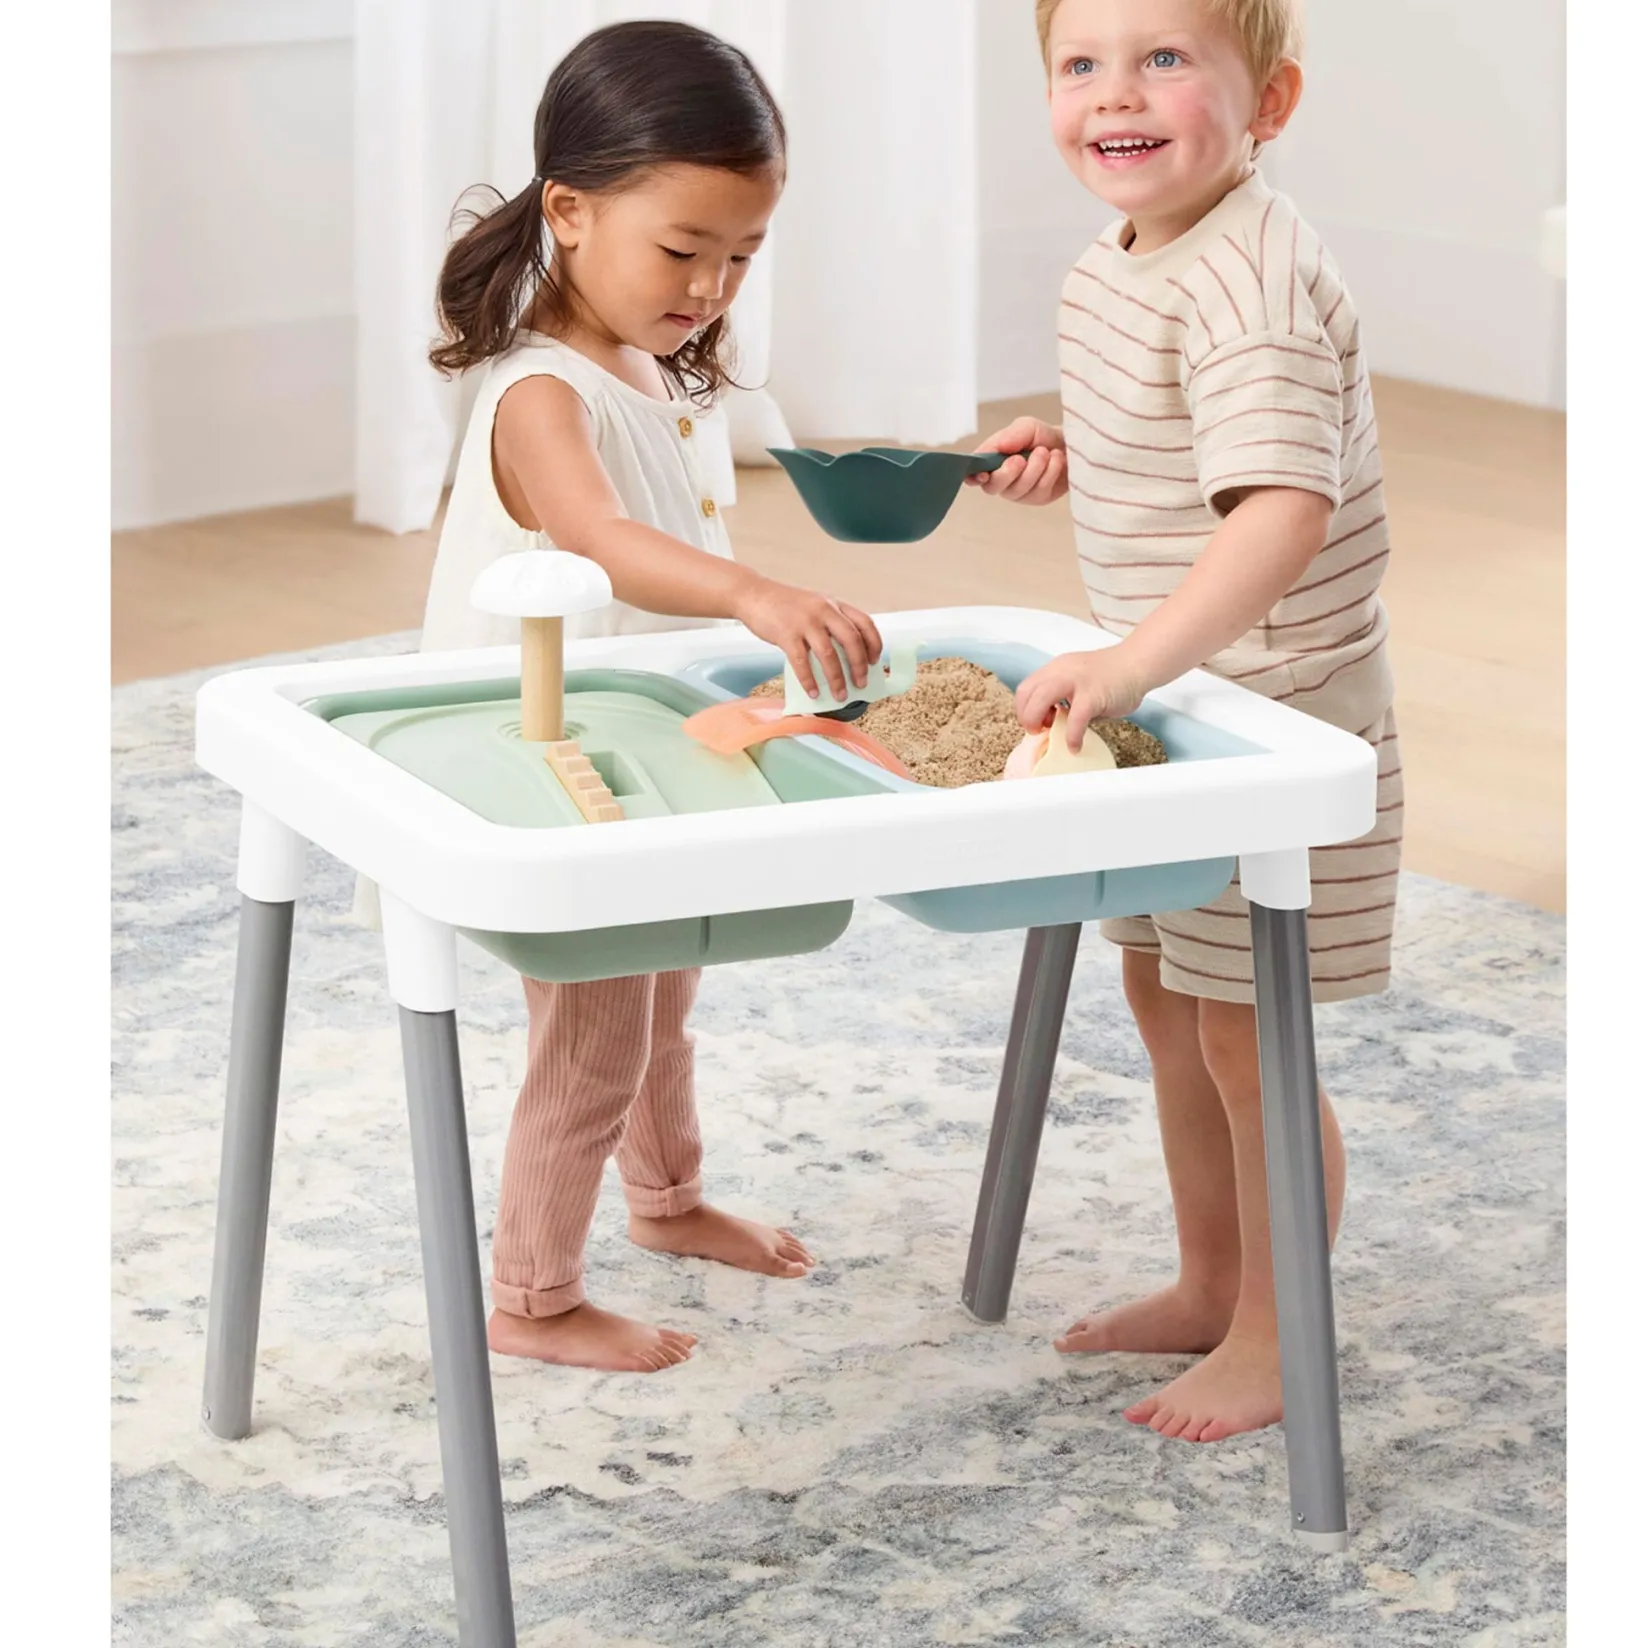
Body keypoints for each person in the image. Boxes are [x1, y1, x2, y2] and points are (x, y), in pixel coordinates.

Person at [421, 19, 882, 1373]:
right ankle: (533, 1299)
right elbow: (604, 541)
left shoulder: (642, 366)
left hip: (640, 754)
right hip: (549, 770)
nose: (711, 286)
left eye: (741, 256)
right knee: (592, 1040)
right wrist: (754, 596)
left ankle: (667, 1200)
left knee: (662, 1000)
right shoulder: (538, 392)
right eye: (683, 250)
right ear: (569, 212)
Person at [970, 0, 1401, 1441]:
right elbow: (1189, 437)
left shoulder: (1251, 287)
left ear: (1270, 103)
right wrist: (1074, 452)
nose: (1115, 95)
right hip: (1184, 693)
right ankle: (1215, 1283)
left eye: (1164, 60)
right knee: (1169, 1001)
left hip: (1273, 715)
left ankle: (1279, 1336)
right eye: (1080, 66)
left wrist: (1130, 665)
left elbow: (1281, 510)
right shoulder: (1127, 257)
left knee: (1247, 1037)